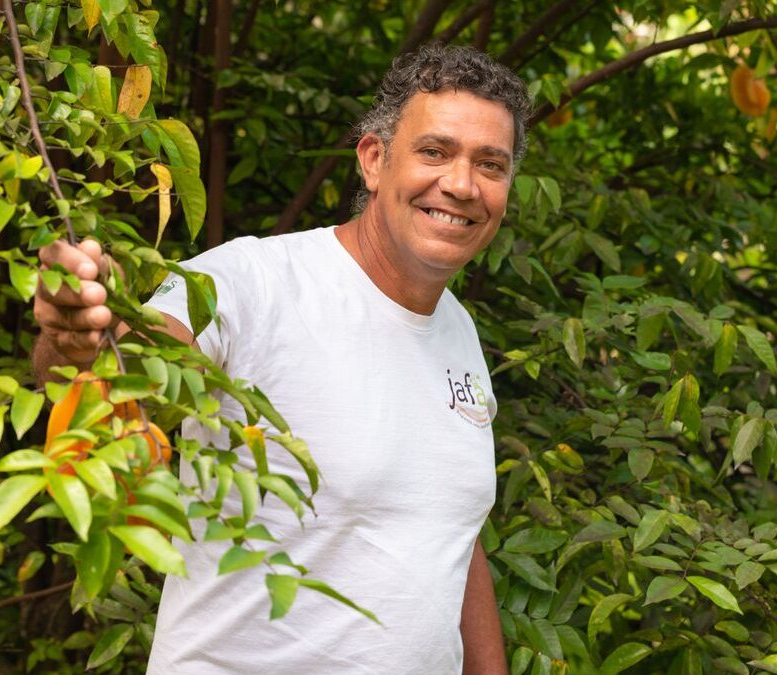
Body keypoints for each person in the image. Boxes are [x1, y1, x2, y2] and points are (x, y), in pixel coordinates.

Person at [32, 45, 529, 674]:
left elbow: (448, 533)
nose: (461, 184)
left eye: (490, 164)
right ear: (374, 160)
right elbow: (121, 380)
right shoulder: (248, 281)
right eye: (434, 151)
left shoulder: (457, 328)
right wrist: (78, 336)